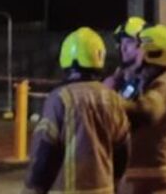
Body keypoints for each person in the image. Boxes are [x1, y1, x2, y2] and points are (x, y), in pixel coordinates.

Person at [22, 27, 129, 194]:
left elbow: (45, 152)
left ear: (66, 58)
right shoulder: (113, 99)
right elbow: (122, 150)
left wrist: (33, 189)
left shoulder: (60, 98)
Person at [119, 25, 166, 194]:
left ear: (152, 53)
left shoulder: (164, 86)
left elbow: (146, 112)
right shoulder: (145, 81)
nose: (136, 52)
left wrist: (104, 99)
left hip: (153, 178)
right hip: (142, 177)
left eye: (140, 47)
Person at [104, 17, 146, 99]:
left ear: (142, 45)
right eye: (121, 42)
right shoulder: (119, 75)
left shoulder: (149, 77)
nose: (123, 48)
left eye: (129, 42)